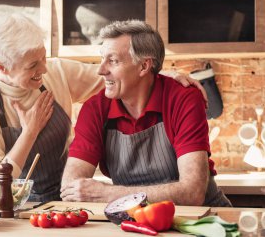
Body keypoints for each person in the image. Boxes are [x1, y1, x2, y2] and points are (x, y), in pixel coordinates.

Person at [0, 13, 207, 202]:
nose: (44, 68)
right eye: (32, 65)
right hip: (16, 206)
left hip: (60, 201)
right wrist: (29, 132)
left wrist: (162, 73)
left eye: (43, 57)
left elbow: (120, 77)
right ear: (1, 66)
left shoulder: (58, 72)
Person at [60, 19, 231, 207]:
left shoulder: (184, 99)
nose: (101, 70)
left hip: (203, 219)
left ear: (143, 66)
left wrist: (107, 193)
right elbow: (70, 188)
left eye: (113, 61)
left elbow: (192, 193)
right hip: (133, 219)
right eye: (102, 59)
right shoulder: (95, 108)